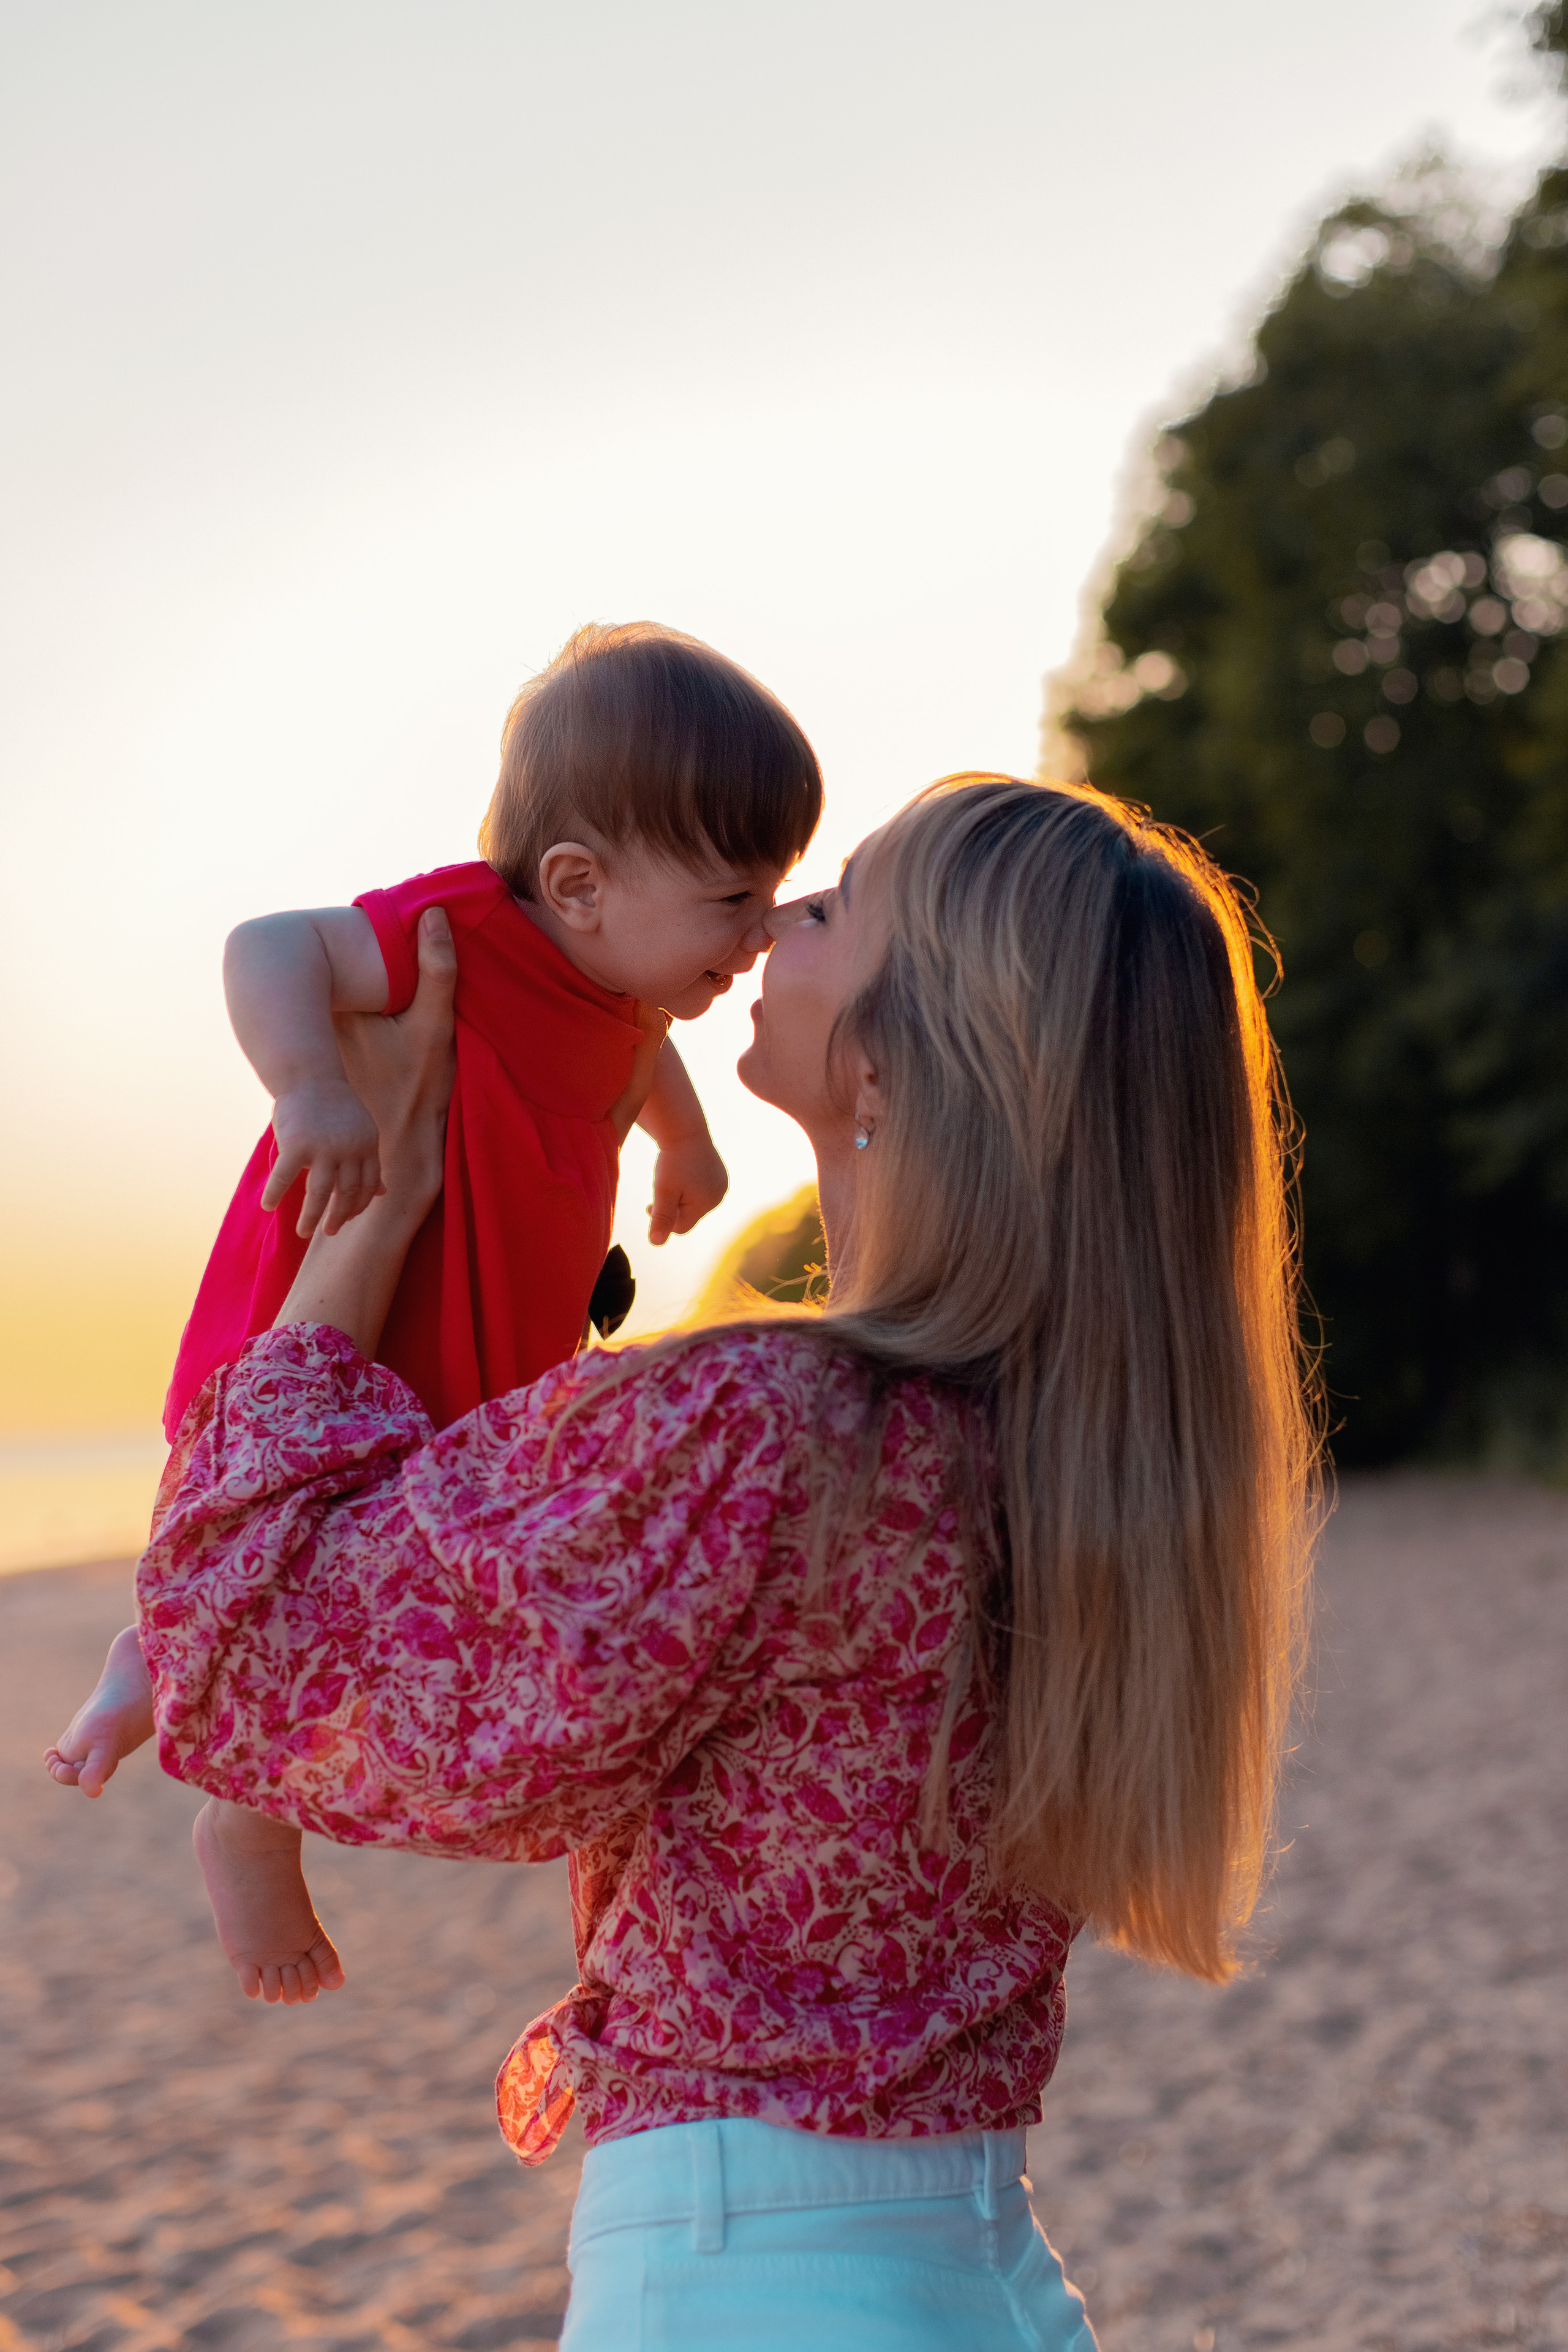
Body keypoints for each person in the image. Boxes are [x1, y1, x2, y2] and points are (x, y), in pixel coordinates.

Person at [119, 775, 1319, 2348]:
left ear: (890, 1059)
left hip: (752, 2277)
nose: (776, 920)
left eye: (834, 905)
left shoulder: (773, 1424)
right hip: (980, 2270)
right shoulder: (1069, 1446)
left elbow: (250, 1655)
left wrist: (378, 1211)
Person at [43, 619, 824, 2007]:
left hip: (491, 1336)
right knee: (287, 1515)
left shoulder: (624, 986)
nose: (762, 926)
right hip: (377, 1302)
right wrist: (308, 1087)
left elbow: (639, 1052)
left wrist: (687, 1145)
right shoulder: (459, 931)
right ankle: (242, 1816)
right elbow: (269, 945)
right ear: (577, 883)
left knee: (394, 1560)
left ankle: (159, 1671)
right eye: (733, 895)